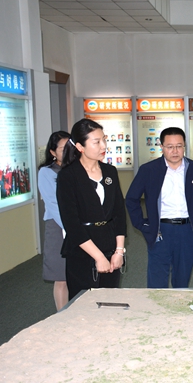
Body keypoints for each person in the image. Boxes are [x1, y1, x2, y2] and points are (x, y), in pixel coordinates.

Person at [126, 127, 193, 288]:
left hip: (187, 231)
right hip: (161, 230)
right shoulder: (149, 169)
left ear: (184, 146)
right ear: (162, 147)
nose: (175, 151)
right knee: (157, 282)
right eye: (170, 147)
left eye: (179, 146)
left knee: (182, 282)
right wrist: (143, 225)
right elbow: (131, 199)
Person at [57, 119, 127, 300]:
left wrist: (119, 251)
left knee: (109, 301)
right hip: (82, 250)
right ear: (80, 146)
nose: (103, 146)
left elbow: (119, 213)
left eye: (104, 139)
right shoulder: (68, 176)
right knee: (83, 303)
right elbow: (71, 224)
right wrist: (99, 257)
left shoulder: (110, 171)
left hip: (110, 246)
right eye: (96, 142)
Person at [38, 130, 70, 310]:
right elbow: (53, 204)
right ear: (52, 152)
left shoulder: (78, 169)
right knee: (61, 277)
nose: (68, 151)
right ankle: (62, 316)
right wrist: (71, 228)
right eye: (62, 148)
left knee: (78, 274)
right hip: (58, 228)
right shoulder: (46, 172)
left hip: (78, 226)